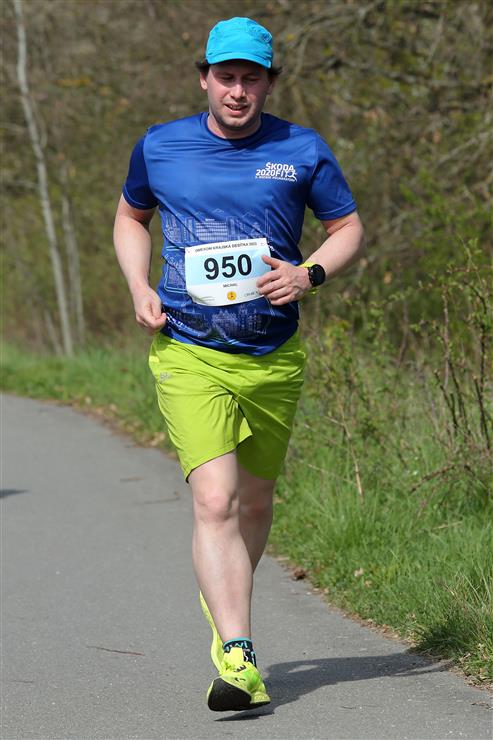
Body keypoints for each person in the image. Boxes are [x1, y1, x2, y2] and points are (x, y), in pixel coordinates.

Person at [113, 16, 365, 712]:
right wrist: (137, 286)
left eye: (251, 78)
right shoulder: (161, 146)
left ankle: (224, 599)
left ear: (269, 84)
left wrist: (308, 275)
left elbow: (347, 228)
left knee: (253, 502)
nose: (237, 90)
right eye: (225, 76)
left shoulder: (300, 149)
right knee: (215, 500)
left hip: (272, 356)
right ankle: (238, 654)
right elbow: (131, 217)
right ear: (204, 79)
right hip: (189, 349)